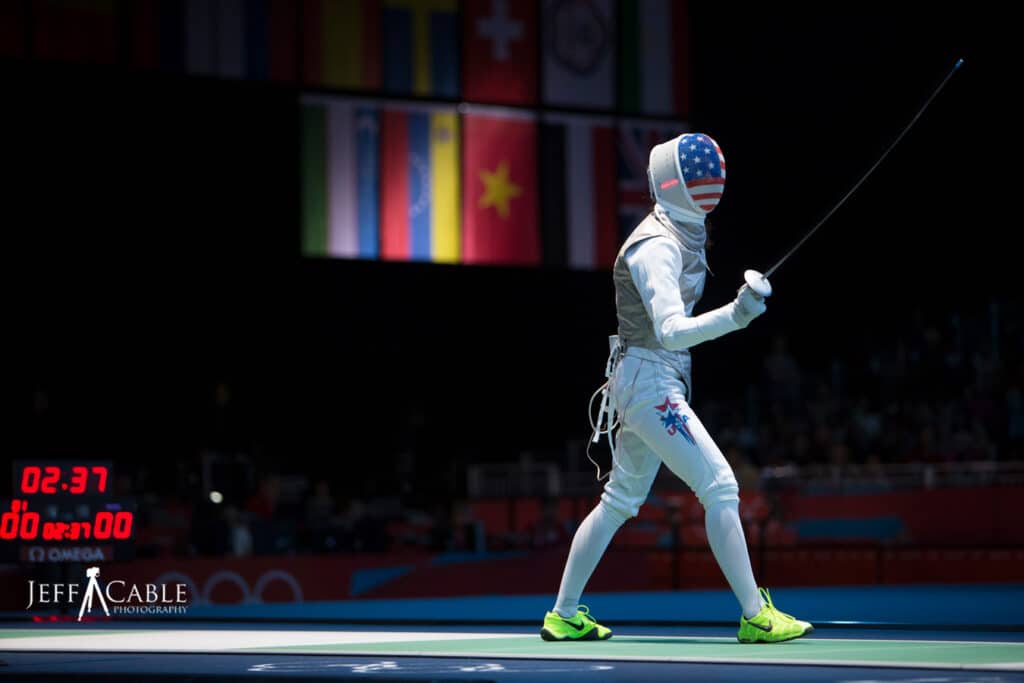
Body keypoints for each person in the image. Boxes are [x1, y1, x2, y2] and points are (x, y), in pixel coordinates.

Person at [541, 133, 814, 644]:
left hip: (646, 378)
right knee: (721, 486)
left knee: (619, 500)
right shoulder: (657, 247)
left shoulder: (677, 233)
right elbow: (668, 330)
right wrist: (736, 316)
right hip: (649, 381)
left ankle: (563, 614)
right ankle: (755, 616)